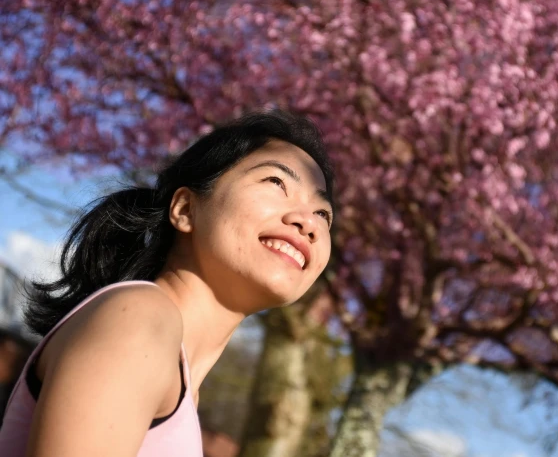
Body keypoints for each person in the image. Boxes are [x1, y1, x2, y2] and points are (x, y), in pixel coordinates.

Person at [0, 110, 335, 456]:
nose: (308, 222)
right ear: (185, 209)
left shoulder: (176, 377)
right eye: (276, 183)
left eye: (323, 214)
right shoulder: (139, 319)